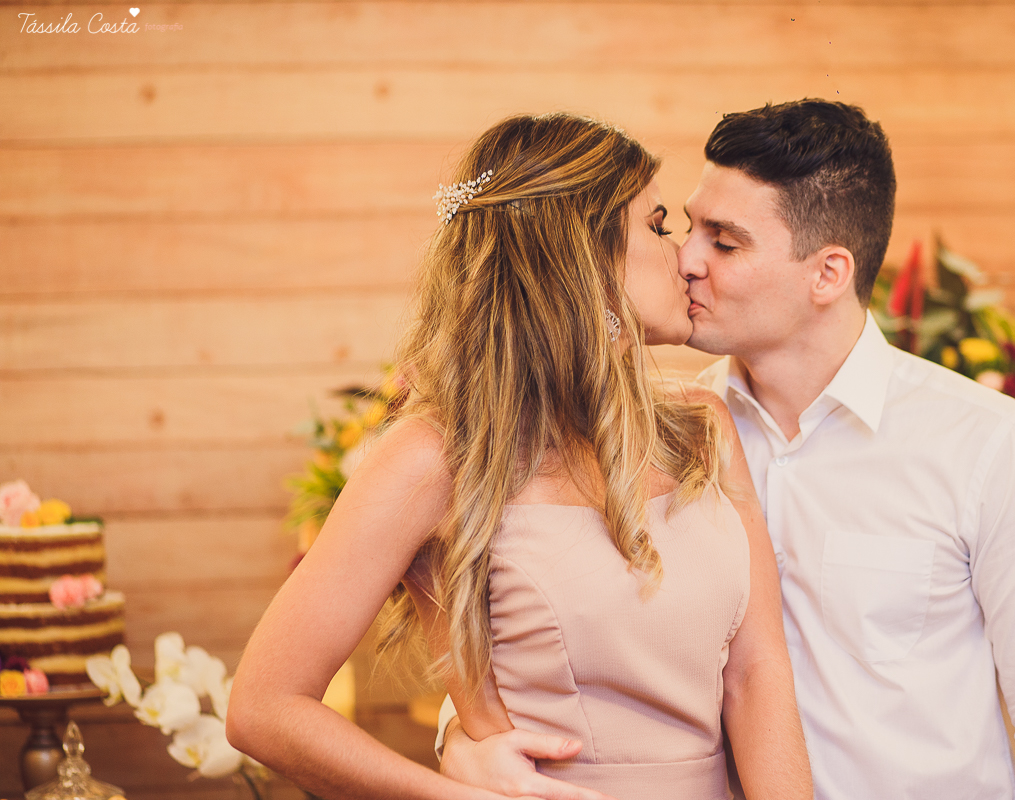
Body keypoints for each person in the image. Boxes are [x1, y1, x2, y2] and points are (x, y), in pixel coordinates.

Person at [438, 101, 1015, 800]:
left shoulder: (990, 447)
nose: (687, 260)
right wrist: (465, 735)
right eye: (686, 227)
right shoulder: (667, 439)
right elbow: (563, 626)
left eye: (725, 243)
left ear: (827, 274)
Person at [226, 112, 812, 800]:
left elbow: (756, 671)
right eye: (656, 226)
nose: (685, 257)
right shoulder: (433, 458)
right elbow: (262, 708)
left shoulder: (701, 426)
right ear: (581, 255)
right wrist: (457, 794)